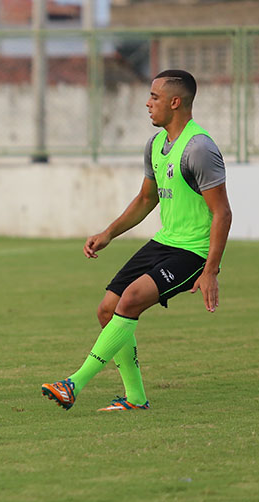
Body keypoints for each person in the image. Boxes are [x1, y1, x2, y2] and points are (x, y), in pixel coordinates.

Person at [42, 69, 232, 412]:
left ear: (175, 102)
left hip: (193, 251)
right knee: (107, 310)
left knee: (128, 301)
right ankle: (135, 398)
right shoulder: (157, 144)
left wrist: (211, 271)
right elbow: (146, 199)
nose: (148, 103)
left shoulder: (199, 148)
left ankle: (73, 383)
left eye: (155, 97)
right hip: (164, 243)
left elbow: (222, 213)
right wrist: (108, 233)